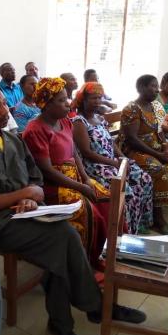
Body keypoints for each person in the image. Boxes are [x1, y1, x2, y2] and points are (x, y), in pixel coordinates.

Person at [0, 84, 145, 335]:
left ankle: (64, 322)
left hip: (30, 211)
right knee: (64, 237)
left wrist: (33, 196)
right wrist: (23, 195)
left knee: (62, 240)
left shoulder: (12, 139)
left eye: (4, 103)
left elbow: (36, 177)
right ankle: (95, 307)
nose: (4, 110)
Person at [23, 78, 111, 267]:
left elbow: (74, 154)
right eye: (61, 100)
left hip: (74, 178)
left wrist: (87, 179)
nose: (68, 103)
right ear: (46, 104)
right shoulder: (34, 130)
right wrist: (80, 187)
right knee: (86, 210)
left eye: (67, 99)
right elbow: (46, 171)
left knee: (107, 199)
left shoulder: (65, 122)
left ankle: (105, 253)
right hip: (53, 185)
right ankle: (84, 263)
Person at [119, 75, 168, 235]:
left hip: (155, 149)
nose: (157, 90)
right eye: (153, 86)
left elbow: (159, 131)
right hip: (136, 152)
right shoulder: (132, 109)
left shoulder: (154, 107)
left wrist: (164, 146)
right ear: (141, 88)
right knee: (159, 170)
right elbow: (132, 139)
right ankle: (157, 219)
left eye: (157, 86)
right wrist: (157, 154)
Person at [72, 82, 154, 234]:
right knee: (127, 193)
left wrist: (123, 158)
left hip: (112, 161)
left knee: (145, 179)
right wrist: (115, 163)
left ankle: (140, 222)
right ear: (83, 100)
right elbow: (86, 152)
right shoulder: (79, 122)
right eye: (93, 98)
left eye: (99, 98)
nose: (97, 101)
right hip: (95, 165)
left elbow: (111, 142)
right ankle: (126, 231)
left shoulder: (100, 118)